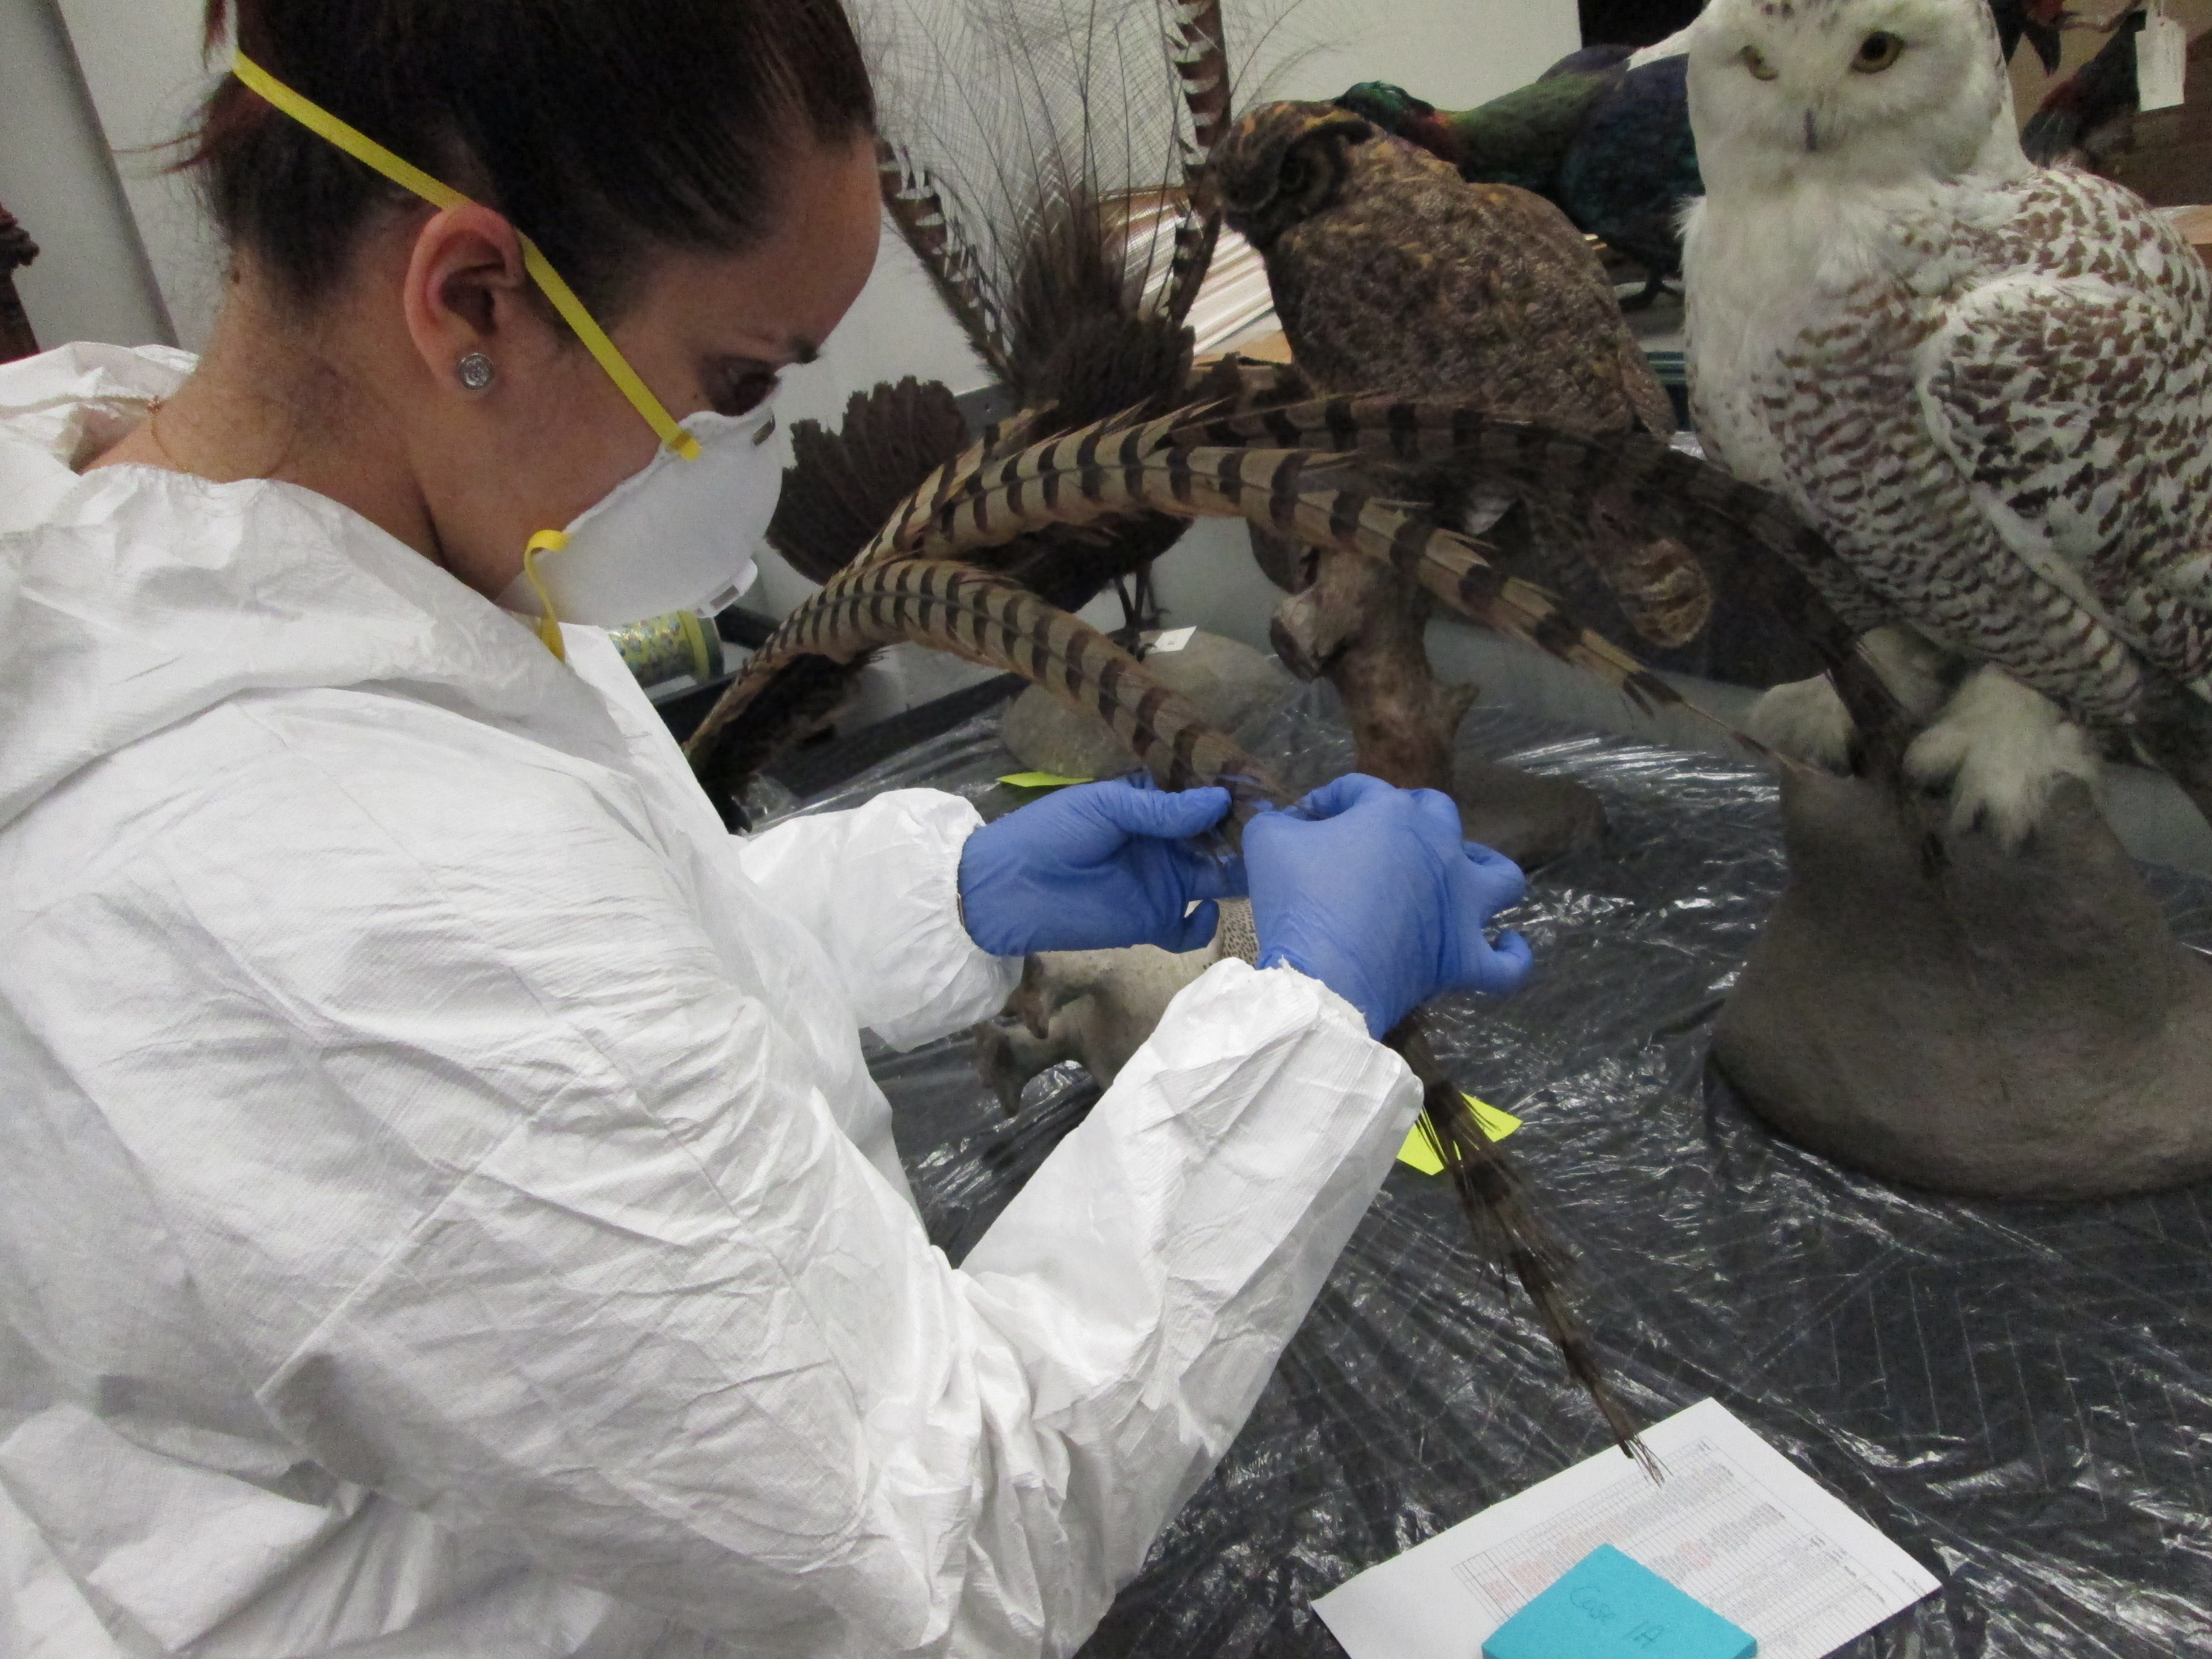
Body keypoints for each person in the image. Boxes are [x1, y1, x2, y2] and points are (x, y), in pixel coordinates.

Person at [0, 2, 1535, 1654]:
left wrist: (947, 893)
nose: (749, 449)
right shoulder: (320, 889)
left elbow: (598, 981)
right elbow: (939, 1545)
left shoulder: (240, 532)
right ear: (470, 300)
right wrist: (1304, 1026)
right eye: (738, 381)